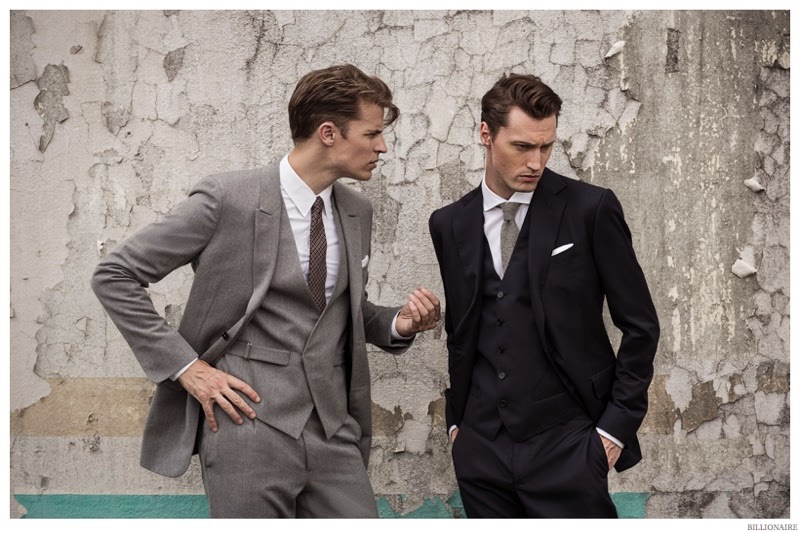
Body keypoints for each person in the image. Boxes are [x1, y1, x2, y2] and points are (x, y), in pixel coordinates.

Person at [91, 64, 441, 518]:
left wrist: (398, 323)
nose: (382, 146)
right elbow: (115, 275)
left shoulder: (357, 210)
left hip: (333, 429)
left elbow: (335, 311)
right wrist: (186, 368)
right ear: (328, 133)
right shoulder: (228, 198)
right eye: (372, 133)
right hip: (247, 427)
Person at [428, 73, 659, 518]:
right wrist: (458, 427)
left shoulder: (591, 209)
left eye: (546, 147)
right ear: (485, 134)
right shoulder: (448, 224)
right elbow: (463, 330)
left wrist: (612, 431)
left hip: (569, 445)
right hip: (481, 449)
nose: (536, 162)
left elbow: (641, 326)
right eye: (521, 146)